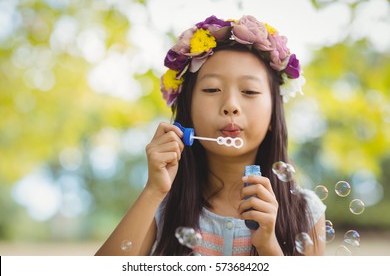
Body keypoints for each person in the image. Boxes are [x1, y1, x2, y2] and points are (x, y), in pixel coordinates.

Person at [95, 15, 326, 256]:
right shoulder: (161, 207)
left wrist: (268, 245)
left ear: (273, 116)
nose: (230, 106)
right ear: (188, 110)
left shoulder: (306, 213)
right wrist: (154, 190)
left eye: (249, 91)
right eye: (212, 89)